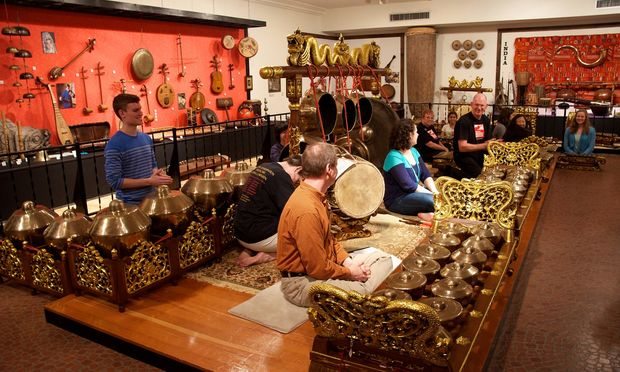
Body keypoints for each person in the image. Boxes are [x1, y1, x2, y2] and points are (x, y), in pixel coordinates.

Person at [277, 142, 394, 307]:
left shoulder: (316, 196)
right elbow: (317, 268)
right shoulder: (307, 210)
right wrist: (350, 274)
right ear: (329, 170)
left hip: (319, 272)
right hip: (302, 284)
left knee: (383, 259)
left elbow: (329, 240)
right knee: (363, 289)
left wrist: (348, 262)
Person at [234, 156, 302, 267]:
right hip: (258, 238)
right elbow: (294, 212)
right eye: (299, 179)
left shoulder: (264, 166)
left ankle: (249, 250)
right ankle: (268, 255)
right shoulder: (281, 176)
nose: (296, 182)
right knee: (308, 236)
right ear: (298, 169)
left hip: (240, 234)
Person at [104, 93, 172, 204]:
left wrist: (158, 176)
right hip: (130, 205)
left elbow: (152, 165)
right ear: (122, 113)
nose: (141, 113)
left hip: (151, 200)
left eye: (140, 109)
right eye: (136, 110)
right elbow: (115, 181)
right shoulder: (114, 145)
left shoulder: (146, 138)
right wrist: (149, 181)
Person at [383, 119, 437, 221]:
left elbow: (425, 174)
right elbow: (408, 185)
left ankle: (424, 212)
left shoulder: (414, 151)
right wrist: (433, 196)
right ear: (408, 135)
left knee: (439, 196)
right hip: (396, 199)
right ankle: (425, 211)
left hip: (413, 194)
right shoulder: (393, 156)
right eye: (416, 132)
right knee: (433, 201)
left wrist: (435, 192)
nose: (418, 134)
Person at [453, 93, 495, 179]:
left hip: (480, 155)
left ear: (486, 106)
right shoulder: (464, 121)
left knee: (493, 172)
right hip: (464, 156)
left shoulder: (486, 120)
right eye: (476, 105)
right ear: (471, 104)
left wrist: (494, 143)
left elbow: (488, 141)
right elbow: (462, 147)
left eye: (482, 105)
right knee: (481, 176)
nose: (479, 108)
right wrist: (483, 146)